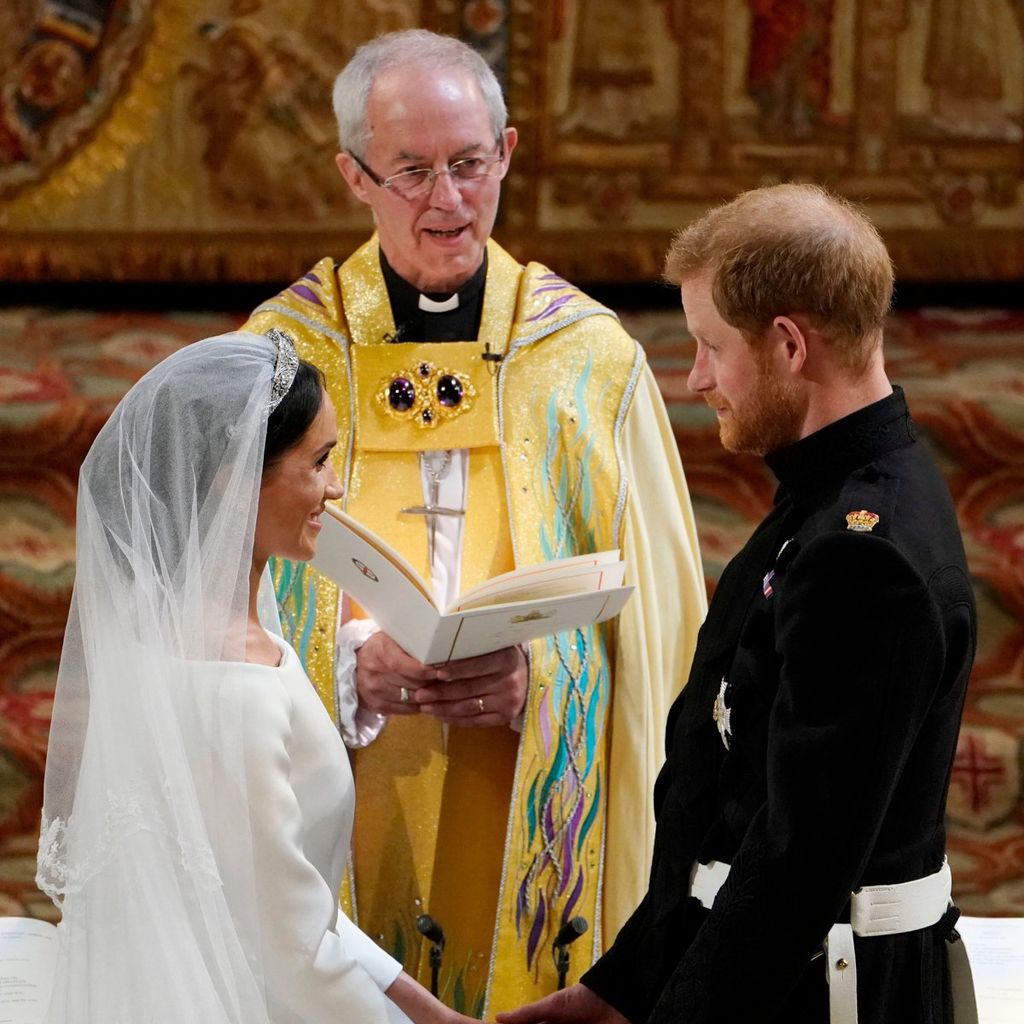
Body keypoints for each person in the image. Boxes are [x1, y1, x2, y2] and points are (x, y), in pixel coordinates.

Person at [241, 28, 707, 1015]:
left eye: (468, 164)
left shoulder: (588, 361)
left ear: (508, 154)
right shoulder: (279, 357)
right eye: (412, 171)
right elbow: (206, 599)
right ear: (353, 176)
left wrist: (546, 676)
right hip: (350, 784)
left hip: (528, 791)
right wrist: (342, 670)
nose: (448, 201)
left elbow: (662, 641)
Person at [499, 184, 977, 1023]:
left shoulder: (863, 556)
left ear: (789, 344)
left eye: (712, 346)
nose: (697, 378)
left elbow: (797, 869)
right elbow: (730, 802)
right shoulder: (827, 493)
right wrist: (624, 986)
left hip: (827, 993)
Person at [37, 332, 481, 1024]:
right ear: (237, 476)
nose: (336, 488)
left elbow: (299, 913)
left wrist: (433, 1014)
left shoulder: (223, 644)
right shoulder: (233, 683)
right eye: (319, 462)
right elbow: (293, 954)